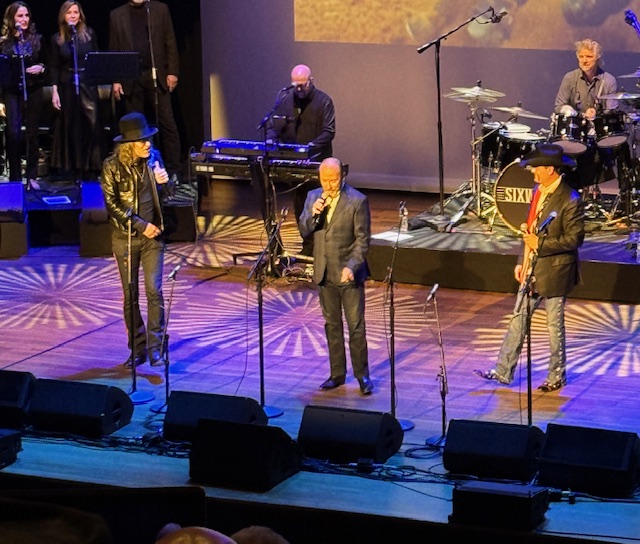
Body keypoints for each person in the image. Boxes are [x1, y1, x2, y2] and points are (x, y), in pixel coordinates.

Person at [476, 144, 585, 392]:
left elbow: (574, 240)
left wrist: (540, 244)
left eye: (536, 168)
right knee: (518, 320)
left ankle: (556, 376)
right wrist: (521, 261)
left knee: (554, 327)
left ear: (550, 169)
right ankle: (503, 370)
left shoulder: (571, 199)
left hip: (555, 271)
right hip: (532, 267)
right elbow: (529, 230)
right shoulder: (538, 191)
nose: (532, 172)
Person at [101, 111, 174, 368]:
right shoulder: (112, 166)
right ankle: (138, 347)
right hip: (127, 239)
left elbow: (168, 197)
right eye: (142, 140)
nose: (148, 144)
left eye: (148, 139)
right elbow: (112, 205)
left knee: (154, 290)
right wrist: (142, 226)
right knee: (130, 295)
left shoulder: (154, 159)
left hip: (153, 239)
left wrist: (165, 183)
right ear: (128, 144)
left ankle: (156, 348)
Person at [299, 157, 373, 395]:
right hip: (324, 272)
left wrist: (352, 266)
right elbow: (304, 230)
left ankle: (362, 376)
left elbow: (363, 240)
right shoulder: (313, 197)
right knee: (332, 326)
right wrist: (313, 214)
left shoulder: (357, 201)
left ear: (343, 177)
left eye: (334, 180)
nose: (329, 185)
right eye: (325, 180)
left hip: (348, 274)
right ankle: (337, 374)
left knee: (356, 327)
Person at [266, 64, 336, 256]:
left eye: (302, 85)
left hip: (317, 163)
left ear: (311, 81)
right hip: (294, 163)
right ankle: (307, 245)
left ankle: (319, 247)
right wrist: (271, 140)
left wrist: (308, 149)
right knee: (299, 204)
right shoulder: (285, 99)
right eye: (295, 85)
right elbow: (273, 125)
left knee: (318, 204)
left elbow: (329, 132)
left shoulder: (324, 101)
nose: (299, 89)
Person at [108, 0, 181, 182]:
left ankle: (173, 169)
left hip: (156, 75)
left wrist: (173, 71)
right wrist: (116, 80)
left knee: (167, 123)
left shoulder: (159, 9)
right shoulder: (117, 15)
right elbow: (114, 49)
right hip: (131, 78)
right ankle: (137, 171)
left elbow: (170, 41)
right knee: (135, 129)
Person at [553, 38, 622, 191]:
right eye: (581, 56)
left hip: (596, 133)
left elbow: (611, 111)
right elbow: (559, 105)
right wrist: (575, 113)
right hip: (575, 132)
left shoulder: (608, 80)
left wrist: (598, 114)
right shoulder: (570, 78)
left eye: (589, 56)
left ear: (597, 57)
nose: (584, 60)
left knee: (612, 149)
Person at [50, 0, 102, 182]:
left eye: (76, 12)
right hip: (67, 85)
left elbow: (97, 58)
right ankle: (73, 168)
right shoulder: (57, 38)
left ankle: (91, 166)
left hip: (87, 83)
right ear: (63, 15)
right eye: (69, 12)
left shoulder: (89, 34)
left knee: (91, 125)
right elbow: (54, 66)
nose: (73, 15)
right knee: (71, 127)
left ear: (80, 16)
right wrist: (55, 91)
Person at [0, 1, 46, 186]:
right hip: (12, 91)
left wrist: (41, 67)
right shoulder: (4, 42)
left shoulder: (36, 39)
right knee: (13, 133)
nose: (24, 19)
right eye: (20, 16)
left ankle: (32, 176)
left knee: (32, 134)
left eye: (26, 15)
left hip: (33, 90)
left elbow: (46, 62)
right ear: (12, 18)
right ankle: (15, 178)